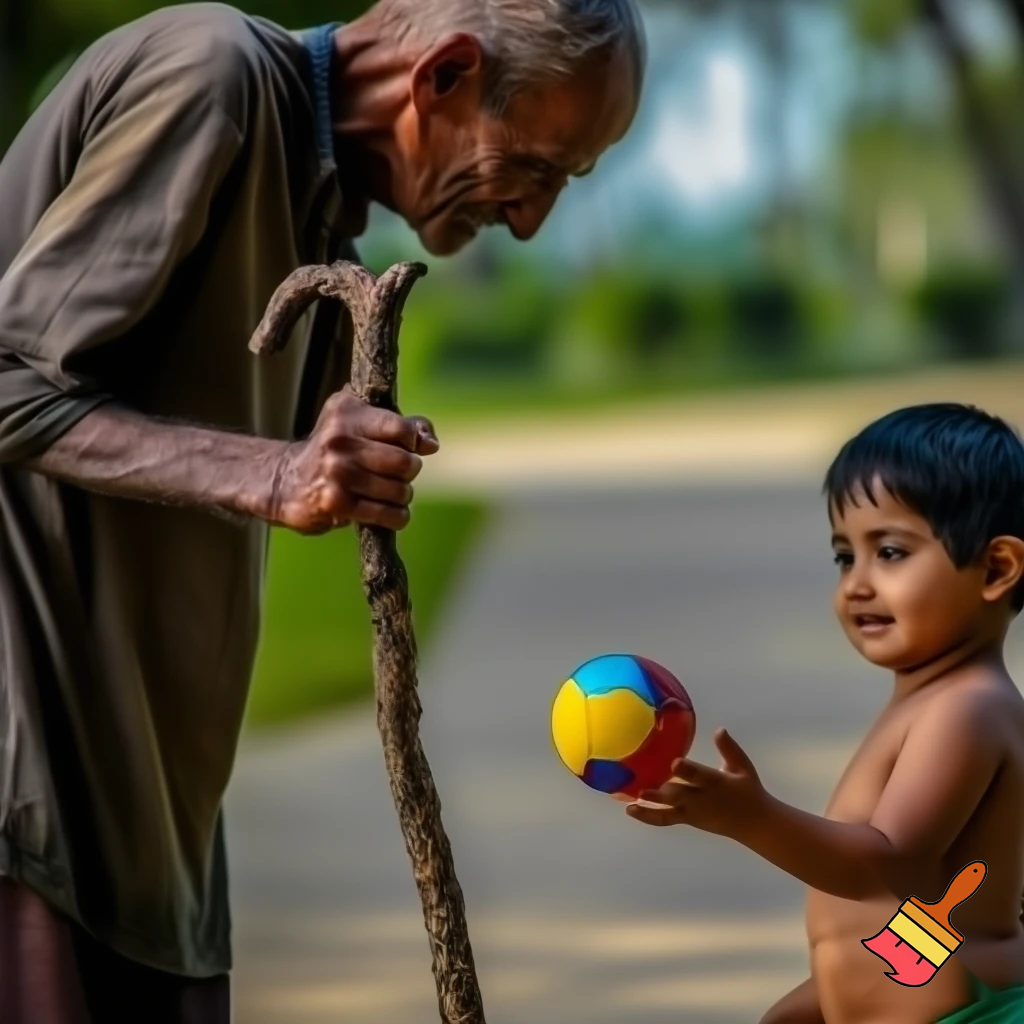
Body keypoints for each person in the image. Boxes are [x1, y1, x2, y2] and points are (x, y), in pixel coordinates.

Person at [0, 0, 646, 1020]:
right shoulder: (209, 78)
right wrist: (275, 474)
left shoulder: (323, 216)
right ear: (444, 75)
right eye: (535, 167)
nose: (528, 220)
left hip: (153, 822)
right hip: (30, 784)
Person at [627, 403, 1024, 1024]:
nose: (856, 584)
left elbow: (891, 864)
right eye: (845, 556)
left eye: (890, 552)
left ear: (996, 569)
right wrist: (825, 1000)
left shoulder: (965, 708)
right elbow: (921, 917)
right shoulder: (929, 702)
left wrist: (752, 818)